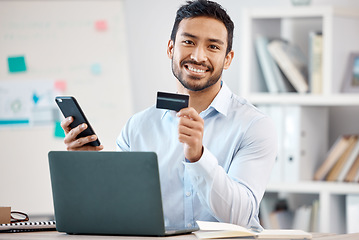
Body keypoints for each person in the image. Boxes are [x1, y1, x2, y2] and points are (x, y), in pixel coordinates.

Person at [61, 0, 277, 230]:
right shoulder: (137, 127)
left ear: (228, 59)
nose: (198, 56)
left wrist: (198, 157)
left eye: (213, 47)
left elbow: (240, 217)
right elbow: (117, 211)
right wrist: (89, 169)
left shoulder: (255, 126)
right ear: (170, 48)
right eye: (188, 42)